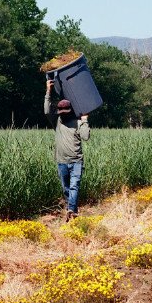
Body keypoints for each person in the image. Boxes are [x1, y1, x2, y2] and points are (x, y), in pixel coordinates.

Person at [45, 80, 90, 221]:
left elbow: (86, 136)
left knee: (74, 186)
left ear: (70, 111)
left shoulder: (77, 123)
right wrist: (48, 91)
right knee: (66, 188)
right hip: (62, 162)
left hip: (76, 161)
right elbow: (47, 110)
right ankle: (71, 210)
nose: (63, 114)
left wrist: (85, 120)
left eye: (65, 111)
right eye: (61, 112)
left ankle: (71, 210)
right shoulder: (57, 122)